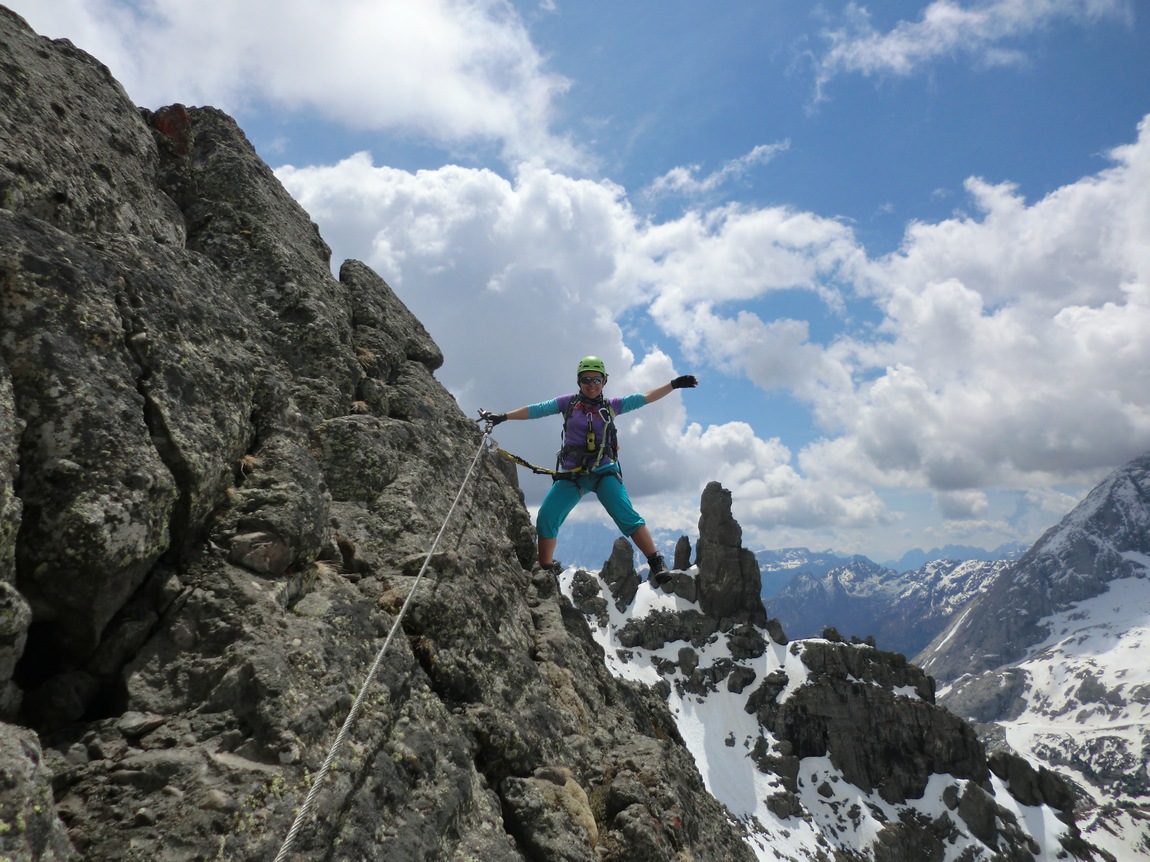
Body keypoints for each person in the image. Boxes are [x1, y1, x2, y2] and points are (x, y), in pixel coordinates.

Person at [480, 356, 698, 584]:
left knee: (625, 515)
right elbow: (536, 410)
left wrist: (674, 384)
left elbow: (644, 398)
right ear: (579, 381)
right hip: (573, 474)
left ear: (604, 381)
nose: (591, 384)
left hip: (604, 472)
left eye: (596, 379)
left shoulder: (611, 406)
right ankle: (545, 569)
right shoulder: (568, 403)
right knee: (546, 516)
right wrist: (502, 417)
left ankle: (655, 561)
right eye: (586, 380)